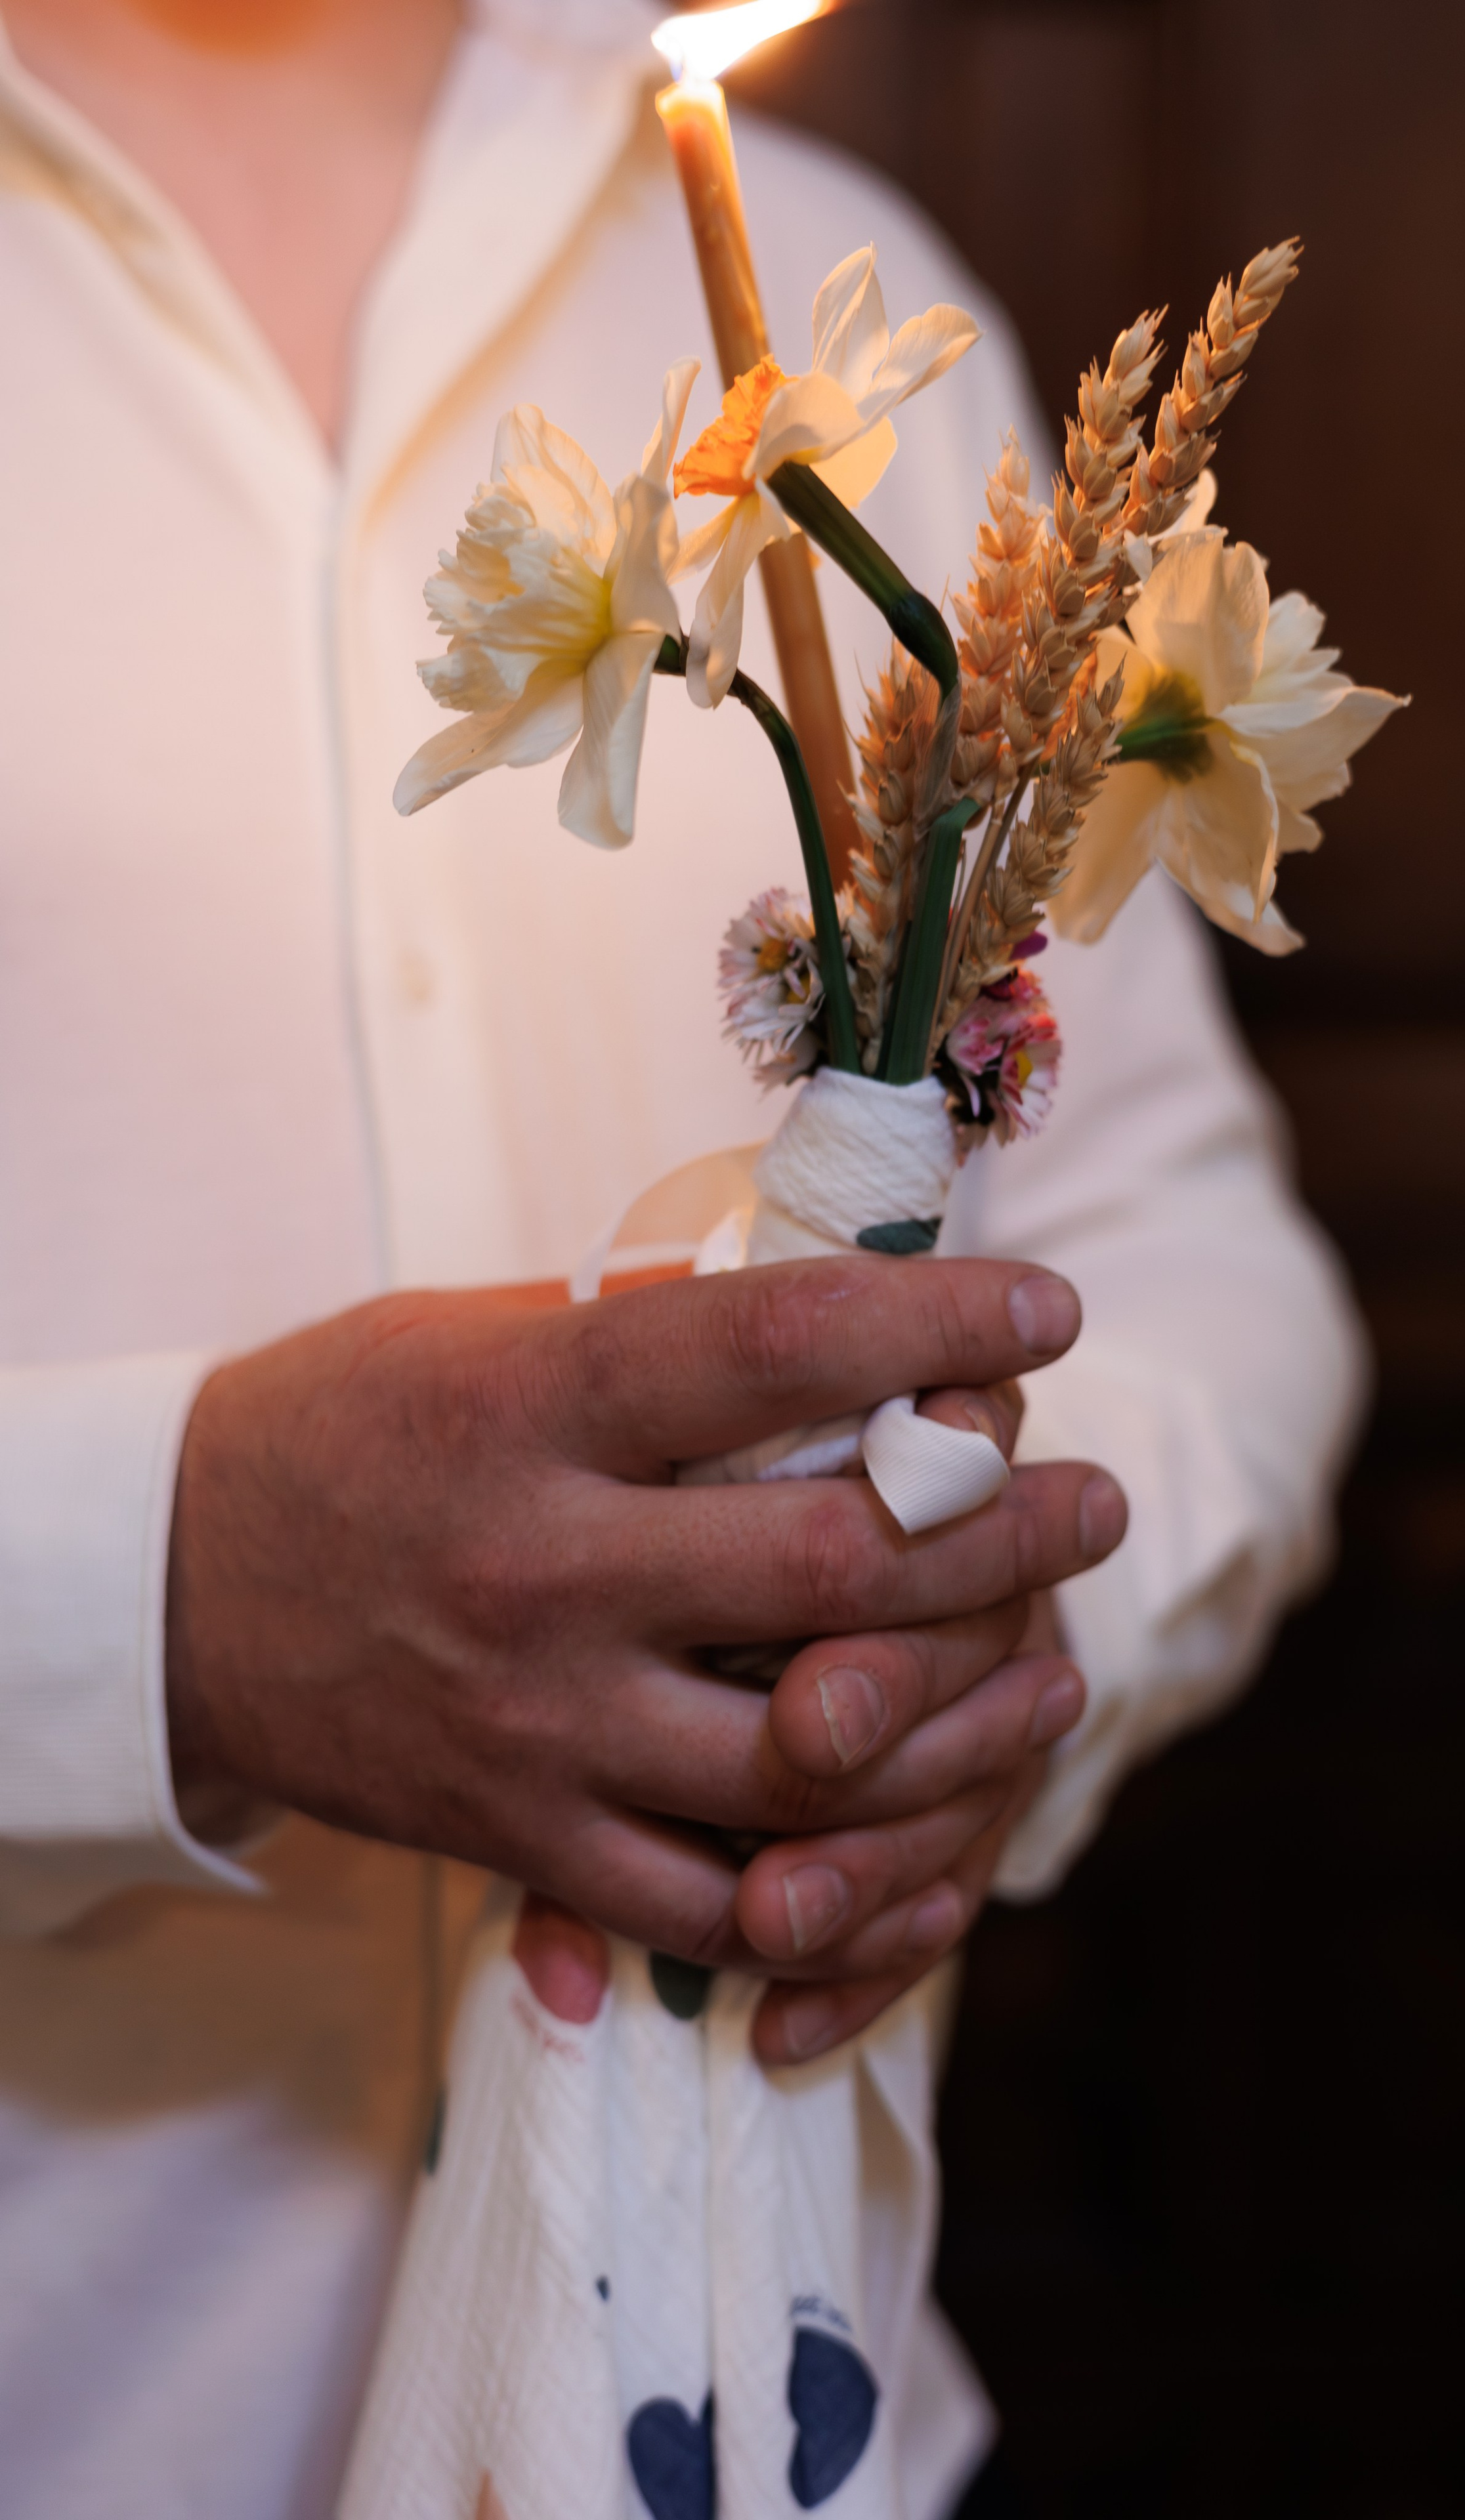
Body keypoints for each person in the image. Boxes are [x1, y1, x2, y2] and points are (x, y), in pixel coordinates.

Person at [0, 1, 1366, 2513]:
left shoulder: (829, 294)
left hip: (788, 2418)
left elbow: (1197, 1249)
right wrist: (154, 1596)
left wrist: (999, 1642)